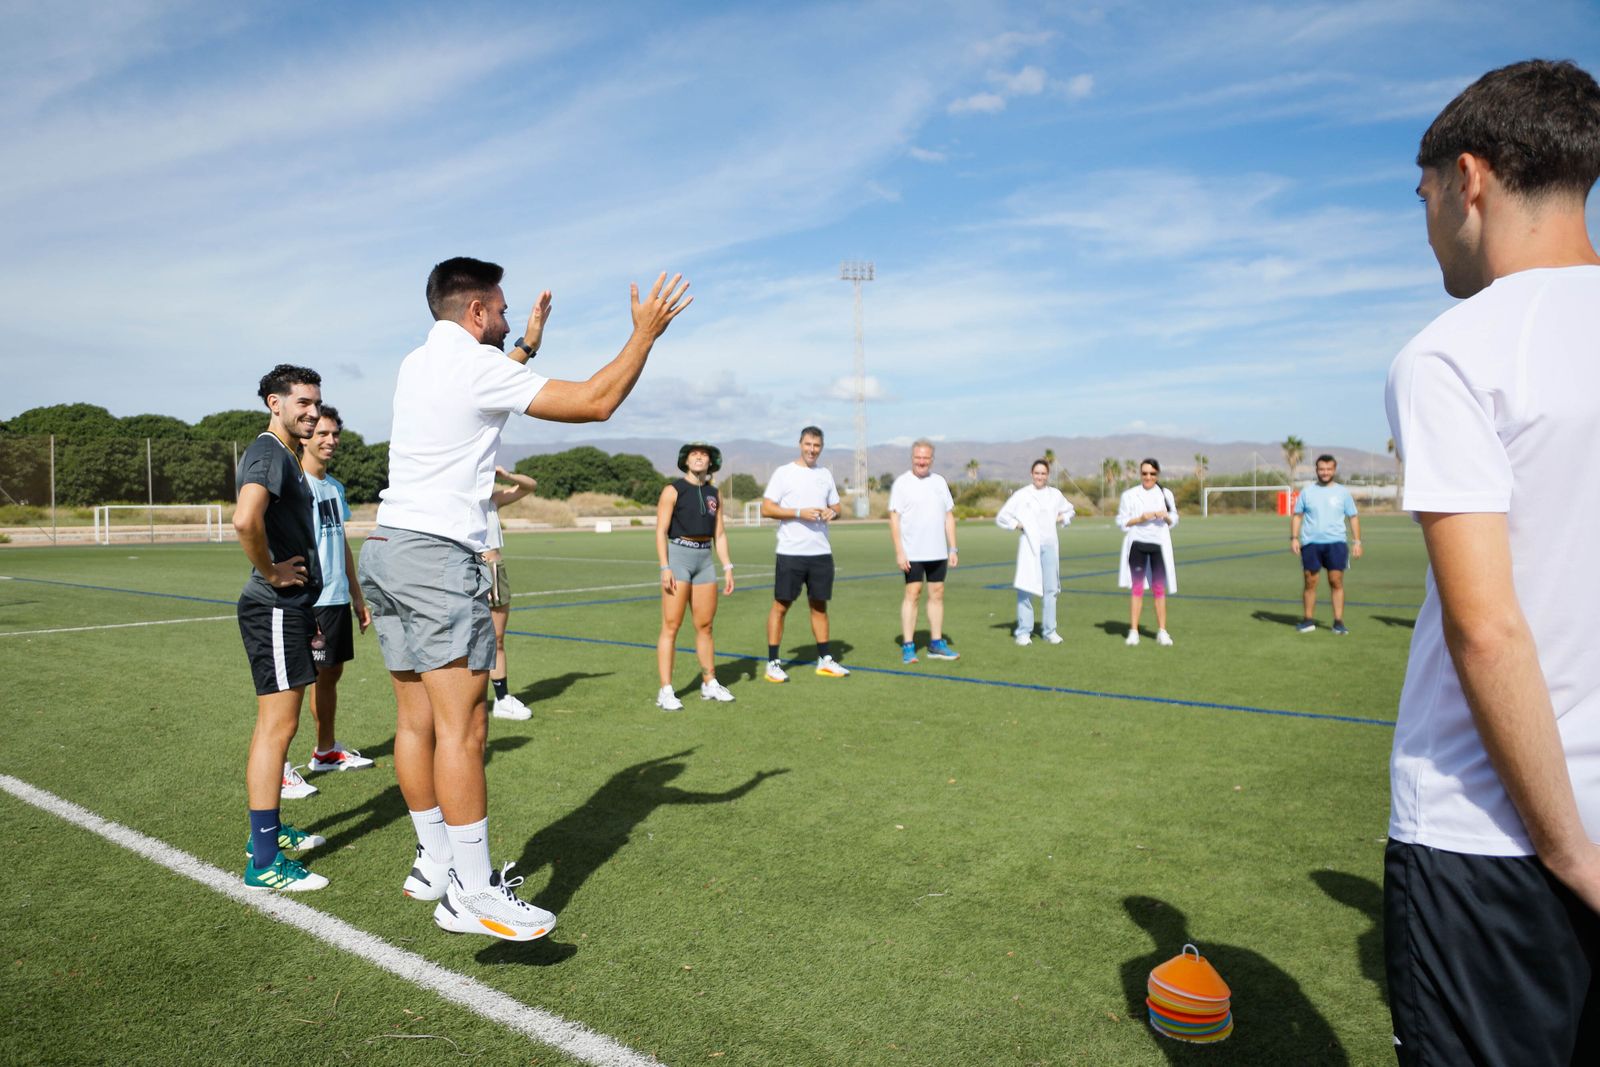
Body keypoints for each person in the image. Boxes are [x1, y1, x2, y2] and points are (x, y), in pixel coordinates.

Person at [359, 257, 690, 941]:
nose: (510, 319)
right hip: (437, 559)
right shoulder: (476, 367)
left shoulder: (418, 363)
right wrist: (646, 334)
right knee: (465, 727)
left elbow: (490, 380)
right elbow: (595, 400)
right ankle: (472, 894)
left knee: (415, 721)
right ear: (477, 311)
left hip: (388, 549)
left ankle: (435, 861)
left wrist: (530, 341)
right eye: (504, 310)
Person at [1382, 59, 1600, 1065]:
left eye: (1421, 195)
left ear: (1467, 178)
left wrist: (1566, 853)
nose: (1426, 221)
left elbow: (1487, 624)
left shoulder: (1453, 351)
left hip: (1489, 836)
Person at [232, 364, 329, 891]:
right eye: (302, 403)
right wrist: (271, 571)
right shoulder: (269, 451)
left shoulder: (286, 455)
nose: (312, 411)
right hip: (272, 605)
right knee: (276, 728)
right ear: (275, 403)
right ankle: (263, 862)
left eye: (317, 402)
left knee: (281, 726)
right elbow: (245, 520)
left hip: (288, 608)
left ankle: (265, 837)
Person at [299, 405, 376, 776]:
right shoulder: (295, 484)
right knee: (296, 683)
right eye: (322, 434)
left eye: (334, 434)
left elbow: (340, 540)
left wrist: (356, 595)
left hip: (336, 599)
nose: (330, 441)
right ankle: (277, 767)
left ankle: (325, 751)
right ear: (305, 437)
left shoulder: (334, 487)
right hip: (307, 602)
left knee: (329, 676)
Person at [760, 426, 848, 681]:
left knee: (819, 606)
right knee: (781, 605)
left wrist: (834, 512)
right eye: (808, 444)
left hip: (821, 552)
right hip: (791, 553)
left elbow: (837, 504)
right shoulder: (784, 473)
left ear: (821, 447)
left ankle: (825, 659)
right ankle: (773, 662)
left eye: (817, 446)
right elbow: (767, 508)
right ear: (800, 444)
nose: (812, 450)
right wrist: (799, 512)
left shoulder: (825, 474)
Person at [654, 442, 736, 709]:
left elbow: (719, 534)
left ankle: (709, 682)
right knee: (671, 626)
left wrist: (727, 567)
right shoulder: (672, 490)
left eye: (704, 455)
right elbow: (660, 530)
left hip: (705, 561)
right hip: (679, 558)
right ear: (686, 460)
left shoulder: (715, 493)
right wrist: (665, 566)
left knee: (705, 626)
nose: (699, 457)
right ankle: (666, 690)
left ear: (711, 462)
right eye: (694, 454)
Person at [888, 440, 959, 664]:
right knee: (913, 593)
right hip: (912, 552)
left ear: (931, 459)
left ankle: (936, 643)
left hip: (937, 552)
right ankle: (908, 645)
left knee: (937, 593)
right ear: (912, 458)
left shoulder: (939, 482)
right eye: (918, 457)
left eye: (926, 457)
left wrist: (953, 547)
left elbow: (949, 516)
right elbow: (894, 518)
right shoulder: (902, 483)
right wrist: (900, 551)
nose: (921, 461)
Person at [996, 458, 1075, 646]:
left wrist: (1061, 518)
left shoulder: (1055, 495)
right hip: (1029, 547)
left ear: (1048, 475)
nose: (1040, 476)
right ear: (1032, 474)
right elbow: (1002, 517)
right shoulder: (1022, 495)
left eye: (1043, 473)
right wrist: (1017, 525)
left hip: (1049, 546)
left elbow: (1070, 510)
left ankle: (1050, 631)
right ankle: (1024, 631)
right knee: (1026, 587)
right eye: (1037, 473)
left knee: (1051, 589)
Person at [484, 465, 538, 721]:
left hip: (496, 570)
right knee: (463, 640)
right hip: (470, 570)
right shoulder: (458, 501)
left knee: (497, 638)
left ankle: (502, 699)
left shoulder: (493, 500)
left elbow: (530, 485)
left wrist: (507, 476)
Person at [1290, 454, 1362, 635]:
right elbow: (1297, 515)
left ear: (1334, 470)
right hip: (1311, 543)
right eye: (1322, 469)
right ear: (1316, 470)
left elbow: (1353, 517)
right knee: (1310, 581)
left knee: (1335, 581)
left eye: (1329, 469)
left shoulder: (1342, 492)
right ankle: (1308, 620)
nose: (1325, 472)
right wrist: (1294, 538)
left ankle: (1338, 622)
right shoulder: (1307, 492)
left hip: (1336, 543)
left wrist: (1357, 541)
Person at [1116, 458, 1178, 647]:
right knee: (1137, 589)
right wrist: (1140, 518)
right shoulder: (1130, 495)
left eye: (1152, 474)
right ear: (1140, 474)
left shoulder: (1165, 493)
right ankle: (1134, 631)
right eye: (1144, 473)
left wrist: (1166, 516)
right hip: (1137, 545)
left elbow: (1174, 517)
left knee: (1159, 589)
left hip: (1159, 546)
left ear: (1157, 474)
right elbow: (1121, 521)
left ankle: (1162, 631)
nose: (1148, 477)